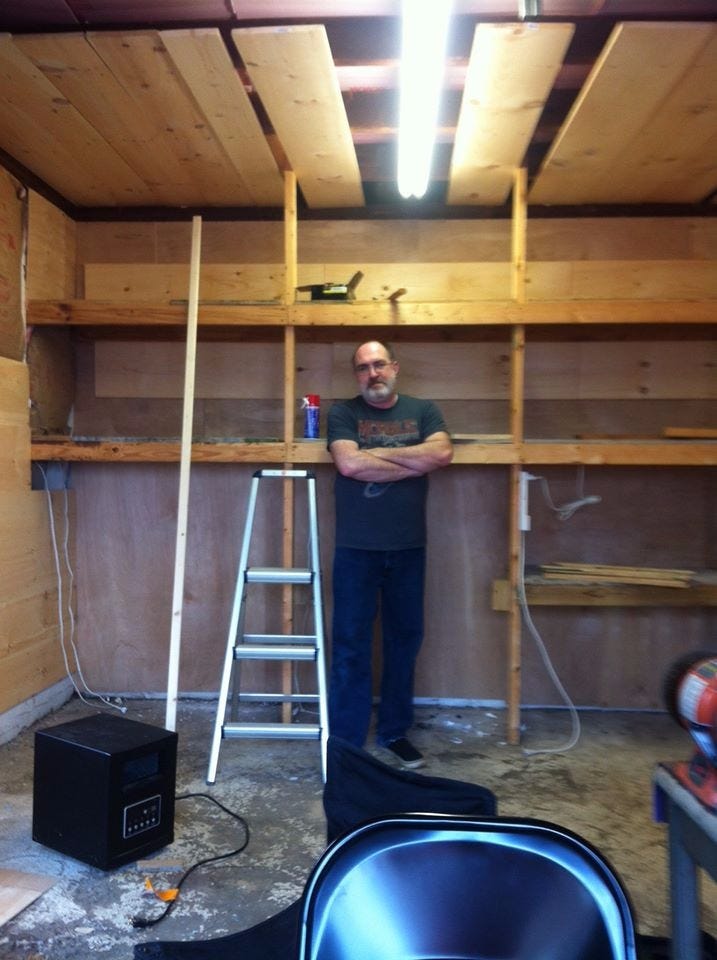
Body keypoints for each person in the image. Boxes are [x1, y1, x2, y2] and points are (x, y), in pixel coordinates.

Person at [326, 340, 453, 768]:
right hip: (355, 548)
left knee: (404, 642)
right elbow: (349, 465)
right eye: (363, 367)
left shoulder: (423, 410)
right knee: (350, 645)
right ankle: (347, 741)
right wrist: (413, 462)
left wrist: (375, 455)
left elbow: (442, 453)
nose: (373, 373)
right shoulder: (343, 413)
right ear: (356, 375)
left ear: (394, 367)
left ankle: (394, 732)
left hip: (408, 547)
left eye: (379, 364)